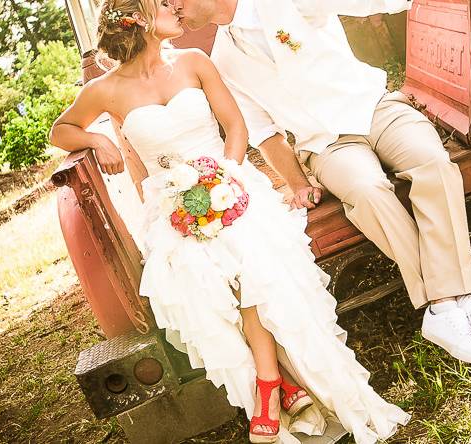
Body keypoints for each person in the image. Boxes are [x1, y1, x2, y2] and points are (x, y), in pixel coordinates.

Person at [50, 1, 410, 442]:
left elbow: (235, 126)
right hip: (170, 205)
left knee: (246, 257)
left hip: (232, 183)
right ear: (139, 19)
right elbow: (60, 130)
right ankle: (283, 384)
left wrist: (228, 176)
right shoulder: (104, 91)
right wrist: (96, 137)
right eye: (162, 4)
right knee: (203, 277)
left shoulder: (194, 62)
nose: (175, 7)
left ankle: (270, 388)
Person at [173, 0, 471, 366]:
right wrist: (298, 183)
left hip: (375, 108)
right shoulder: (222, 61)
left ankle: (442, 307)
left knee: (433, 162)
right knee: (367, 191)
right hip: (326, 145)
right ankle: (454, 302)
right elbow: (264, 133)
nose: (172, 8)